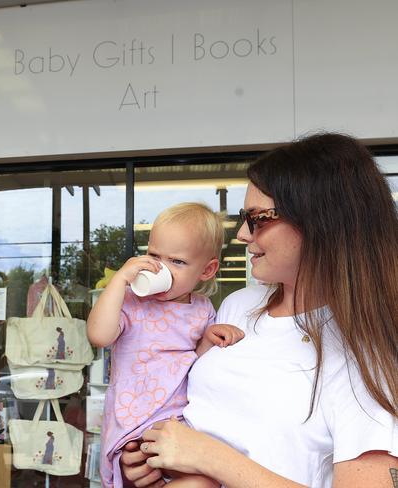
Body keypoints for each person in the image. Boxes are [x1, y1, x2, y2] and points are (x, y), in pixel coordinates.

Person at [121, 133, 398, 488]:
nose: (241, 234)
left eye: (259, 219)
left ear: (321, 222)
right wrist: (152, 460)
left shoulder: (367, 352)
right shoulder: (239, 306)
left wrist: (207, 455)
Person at [87, 202, 245, 487]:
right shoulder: (132, 302)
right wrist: (119, 282)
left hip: (178, 425)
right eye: (154, 255)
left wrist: (211, 339)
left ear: (207, 270)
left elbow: (194, 364)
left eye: (178, 261)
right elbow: (99, 335)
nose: (162, 268)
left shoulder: (202, 308)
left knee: (204, 481)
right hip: (134, 423)